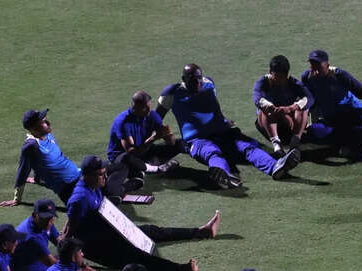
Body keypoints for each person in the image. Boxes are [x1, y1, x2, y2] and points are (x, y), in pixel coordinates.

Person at [63, 155, 220, 271]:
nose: (105, 177)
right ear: (88, 176)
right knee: (138, 255)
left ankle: (201, 231)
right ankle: (179, 269)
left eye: (104, 173)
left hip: (107, 234)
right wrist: (80, 262)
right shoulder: (80, 198)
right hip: (98, 247)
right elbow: (71, 229)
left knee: (150, 230)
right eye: (100, 174)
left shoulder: (93, 186)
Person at [157, 63, 300, 189]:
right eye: (192, 80)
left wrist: (223, 120)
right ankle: (222, 174)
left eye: (199, 79)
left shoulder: (209, 84)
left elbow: (212, 108)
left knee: (248, 147)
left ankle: (275, 167)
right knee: (212, 153)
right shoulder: (172, 93)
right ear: (183, 79)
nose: (197, 83)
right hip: (197, 140)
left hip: (224, 133)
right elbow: (156, 118)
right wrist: (160, 135)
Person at [0, 108, 126, 207]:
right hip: (70, 187)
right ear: (34, 128)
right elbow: (23, 171)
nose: (48, 123)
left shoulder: (47, 135)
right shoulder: (31, 146)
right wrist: (16, 199)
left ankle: (111, 192)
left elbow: (41, 163)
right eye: (43, 122)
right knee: (110, 190)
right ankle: (113, 193)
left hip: (80, 174)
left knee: (119, 167)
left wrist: (37, 179)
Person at [106, 90, 183, 195]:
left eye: (149, 106)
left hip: (144, 151)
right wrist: (153, 139)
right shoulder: (123, 122)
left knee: (180, 144)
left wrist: (168, 134)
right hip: (122, 157)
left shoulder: (152, 115)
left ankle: (144, 167)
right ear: (135, 107)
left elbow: (172, 143)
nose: (149, 110)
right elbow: (132, 152)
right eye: (145, 107)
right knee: (127, 158)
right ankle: (157, 169)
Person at [300, 49, 362, 154]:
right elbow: (308, 99)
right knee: (313, 131)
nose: (316, 71)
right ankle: (349, 139)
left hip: (353, 113)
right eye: (313, 66)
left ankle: (346, 140)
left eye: (319, 67)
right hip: (332, 119)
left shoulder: (339, 75)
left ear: (327, 66)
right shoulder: (307, 78)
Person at [252, 55, 313, 157]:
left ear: (287, 74)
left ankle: (295, 142)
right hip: (268, 125)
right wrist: (272, 107)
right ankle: (277, 145)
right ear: (270, 72)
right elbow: (257, 98)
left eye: (283, 77)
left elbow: (310, 98)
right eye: (277, 76)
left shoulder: (293, 83)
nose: (280, 80)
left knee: (302, 108)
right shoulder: (263, 82)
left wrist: (292, 107)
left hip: (287, 124)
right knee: (265, 110)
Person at [9, 198, 60, 271]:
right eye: (44, 218)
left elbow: (60, 242)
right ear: (34, 215)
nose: (49, 223)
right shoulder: (30, 237)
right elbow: (51, 263)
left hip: (34, 260)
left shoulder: (45, 223)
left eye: (51, 218)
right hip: (23, 269)